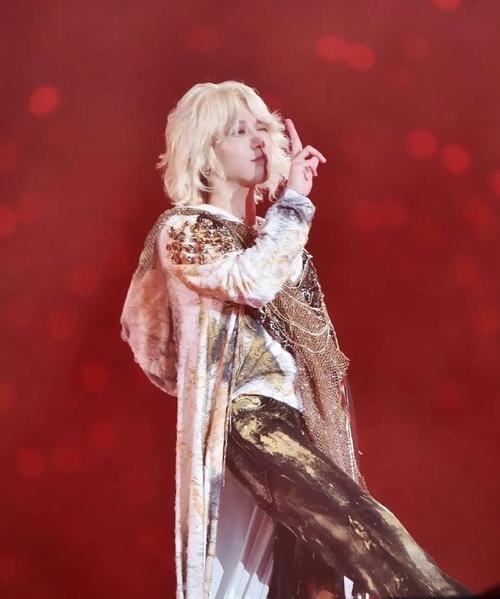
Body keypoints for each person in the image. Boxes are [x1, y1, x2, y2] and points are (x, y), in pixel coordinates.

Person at [120, 80, 471, 599]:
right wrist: (295, 206)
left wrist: (286, 213)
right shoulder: (185, 229)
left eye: (261, 127)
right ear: (205, 154)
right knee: (355, 524)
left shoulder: (278, 232)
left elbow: (313, 337)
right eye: (239, 131)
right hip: (247, 415)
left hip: (302, 414)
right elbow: (250, 282)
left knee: (317, 572)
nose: (258, 140)